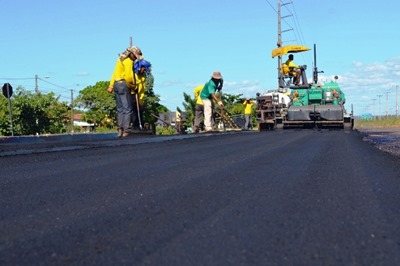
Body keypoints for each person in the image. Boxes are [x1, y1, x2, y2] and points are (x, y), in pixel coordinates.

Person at [107, 46, 142, 137]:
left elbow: (114, 74)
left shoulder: (119, 60)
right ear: (131, 54)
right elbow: (129, 77)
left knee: (120, 108)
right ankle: (126, 130)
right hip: (124, 84)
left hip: (116, 84)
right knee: (127, 109)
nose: (135, 58)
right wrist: (133, 86)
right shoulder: (128, 61)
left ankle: (120, 129)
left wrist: (111, 85)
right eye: (134, 56)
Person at [131, 59, 151, 130]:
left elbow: (142, 89)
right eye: (144, 69)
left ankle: (141, 125)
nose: (145, 71)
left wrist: (141, 102)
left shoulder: (143, 76)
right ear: (140, 67)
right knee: (134, 111)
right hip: (133, 95)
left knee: (140, 111)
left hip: (139, 97)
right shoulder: (133, 75)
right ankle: (135, 126)